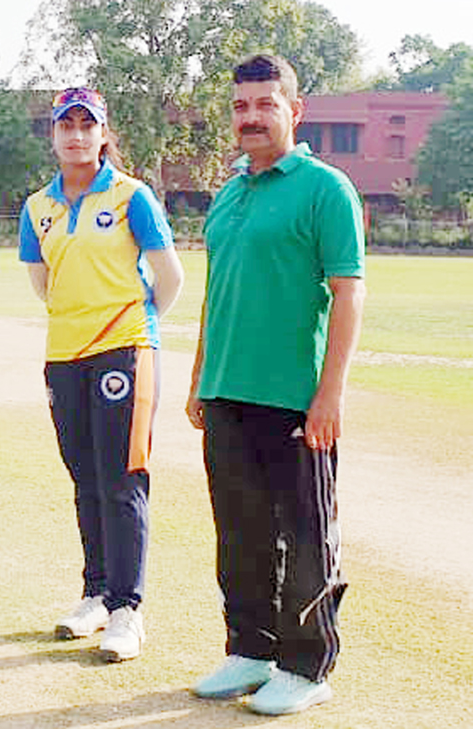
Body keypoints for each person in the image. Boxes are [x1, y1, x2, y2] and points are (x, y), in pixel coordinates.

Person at [187, 54, 365, 715]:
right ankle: (251, 649)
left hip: (293, 397)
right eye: (241, 106)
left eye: (266, 103)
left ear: (295, 110)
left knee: (306, 535)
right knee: (239, 533)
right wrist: (200, 377)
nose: (252, 116)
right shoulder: (229, 193)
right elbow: (216, 293)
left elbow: (348, 292)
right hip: (226, 391)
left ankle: (307, 664)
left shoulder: (326, 189)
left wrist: (330, 393)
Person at [19, 87, 183, 662]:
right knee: (84, 477)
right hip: (65, 354)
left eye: (87, 125)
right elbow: (43, 284)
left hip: (124, 350)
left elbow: (169, 278)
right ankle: (95, 593)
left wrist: (135, 325)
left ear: (103, 134)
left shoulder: (131, 195)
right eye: (66, 125)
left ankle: (126, 609)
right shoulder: (37, 206)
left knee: (121, 479)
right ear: (53, 134)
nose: (76, 135)